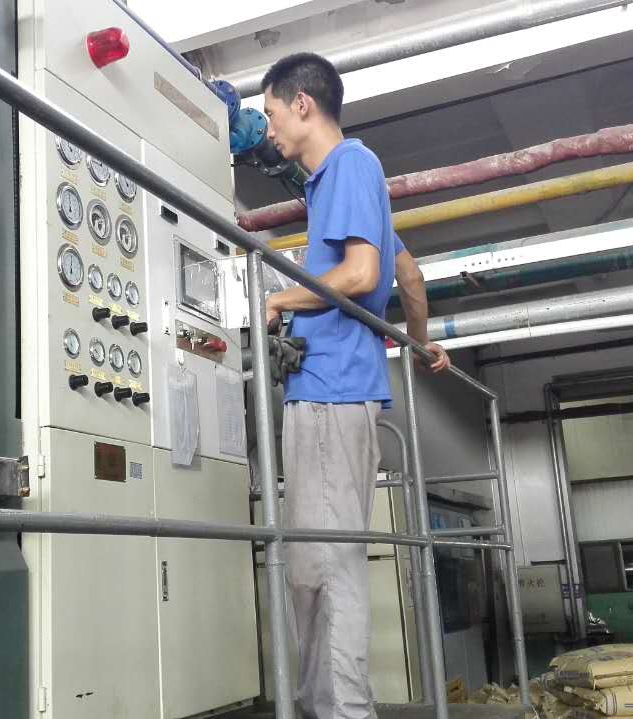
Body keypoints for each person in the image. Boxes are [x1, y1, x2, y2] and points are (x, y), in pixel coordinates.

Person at [259, 52, 450, 719]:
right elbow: (409, 277)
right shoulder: (349, 181)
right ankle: (326, 705)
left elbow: (364, 273)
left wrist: (277, 298)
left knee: (324, 568)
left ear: (302, 104)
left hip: (330, 391)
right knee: (314, 566)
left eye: (271, 113)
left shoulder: (348, 165)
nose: (268, 129)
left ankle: (342, 711)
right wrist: (419, 346)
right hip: (340, 393)